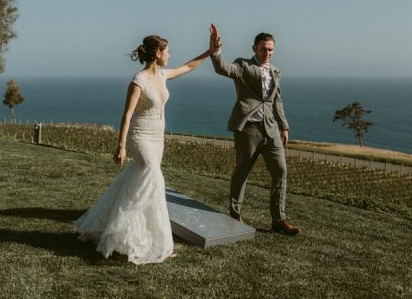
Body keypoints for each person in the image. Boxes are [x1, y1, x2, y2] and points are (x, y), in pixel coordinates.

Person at [76, 33, 215, 264]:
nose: (170, 54)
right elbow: (127, 115)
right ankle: (127, 233)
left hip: (157, 138)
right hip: (140, 137)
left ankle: (135, 234)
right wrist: (121, 146)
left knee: (139, 179)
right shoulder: (138, 80)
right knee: (154, 177)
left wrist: (210, 52)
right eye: (167, 50)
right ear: (157, 53)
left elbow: (189, 66)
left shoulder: (162, 75)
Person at [209, 23, 301, 235]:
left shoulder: (276, 71)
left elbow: (277, 100)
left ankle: (279, 220)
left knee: (280, 170)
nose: (267, 53)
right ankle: (234, 215)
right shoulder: (243, 65)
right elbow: (223, 68)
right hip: (248, 128)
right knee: (242, 171)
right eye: (263, 49)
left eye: (270, 49)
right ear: (254, 49)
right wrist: (216, 51)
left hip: (272, 130)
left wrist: (284, 126)